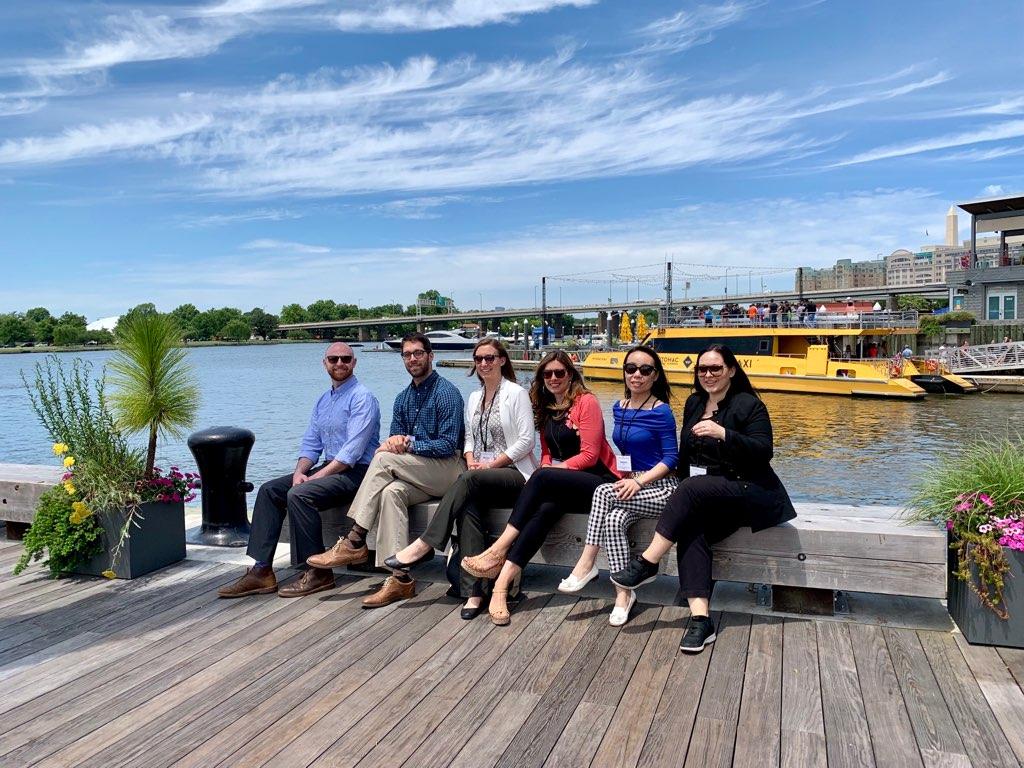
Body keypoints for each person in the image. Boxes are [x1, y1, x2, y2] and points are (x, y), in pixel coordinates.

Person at [610, 344, 795, 653]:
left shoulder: (748, 405)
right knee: (689, 526)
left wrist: (723, 433)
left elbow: (764, 452)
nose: (708, 375)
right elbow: (684, 457)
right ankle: (700, 620)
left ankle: (647, 562)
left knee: (690, 489)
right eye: (702, 369)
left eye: (715, 369)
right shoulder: (695, 402)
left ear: (731, 371)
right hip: (705, 494)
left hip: (747, 490)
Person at [461, 350, 622, 625]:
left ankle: (498, 550)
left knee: (540, 477)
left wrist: (548, 472)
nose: (554, 378)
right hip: (566, 485)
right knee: (545, 509)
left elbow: (590, 456)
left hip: (600, 483)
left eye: (560, 372)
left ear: (571, 375)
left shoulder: (587, 402)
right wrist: (548, 470)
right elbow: (546, 454)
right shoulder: (547, 409)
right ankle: (501, 586)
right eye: (547, 374)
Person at [306, 332, 465, 608]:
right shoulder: (403, 399)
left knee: (382, 460)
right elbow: (392, 443)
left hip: (449, 469)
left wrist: (409, 444)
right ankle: (400, 579)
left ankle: (355, 539)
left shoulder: (447, 393)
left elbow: (449, 444)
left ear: (430, 356)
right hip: (419, 472)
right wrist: (394, 443)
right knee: (392, 492)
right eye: (407, 354)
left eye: (418, 353)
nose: (412, 359)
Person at [383, 338, 537, 619]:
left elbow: (526, 441)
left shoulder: (516, 393)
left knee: (467, 482)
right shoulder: (474, 397)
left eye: (489, 358)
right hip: (479, 474)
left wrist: (492, 465)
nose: (484, 364)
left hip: (514, 474)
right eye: (478, 359)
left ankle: (426, 544)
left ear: (502, 360)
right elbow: (467, 439)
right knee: (468, 507)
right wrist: (470, 461)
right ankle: (474, 593)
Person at [218, 342, 380, 599]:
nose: (340, 363)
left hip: (358, 473)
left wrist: (312, 479)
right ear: (324, 363)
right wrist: (299, 472)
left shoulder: (363, 398)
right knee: (270, 490)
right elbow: (311, 444)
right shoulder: (323, 401)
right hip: (330, 468)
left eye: (346, 359)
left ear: (354, 362)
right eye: (334, 359)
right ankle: (261, 571)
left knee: (300, 494)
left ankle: (317, 572)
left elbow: (351, 454)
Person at [561, 345, 678, 626]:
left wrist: (639, 481)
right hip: (630, 484)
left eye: (645, 370)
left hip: (660, 486)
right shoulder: (619, 407)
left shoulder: (661, 411)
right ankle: (624, 594)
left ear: (655, 376)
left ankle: (586, 563)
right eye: (631, 369)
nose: (636, 374)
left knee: (602, 491)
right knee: (613, 520)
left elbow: (672, 458)